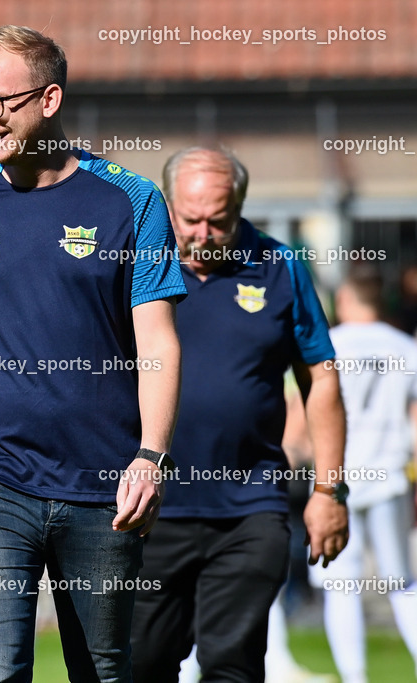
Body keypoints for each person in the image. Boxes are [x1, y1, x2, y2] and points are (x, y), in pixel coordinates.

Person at [0, 25, 185, 682]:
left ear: (51, 99)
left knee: (105, 670)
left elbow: (157, 339)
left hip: (102, 478)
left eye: (1, 101)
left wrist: (150, 455)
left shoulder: (132, 199)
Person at [130, 146, 349, 683]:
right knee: (143, 664)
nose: (203, 233)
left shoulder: (280, 270)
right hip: (149, 511)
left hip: (251, 507)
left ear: (241, 206)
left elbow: (320, 378)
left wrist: (328, 491)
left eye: (218, 221)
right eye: (190, 220)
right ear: (167, 205)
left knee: (232, 666)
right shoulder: (137, 266)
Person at [310, 267, 417, 683]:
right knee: (402, 583)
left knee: (341, 585)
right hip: (390, 474)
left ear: (345, 300)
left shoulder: (327, 345)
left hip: (334, 481)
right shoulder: (406, 347)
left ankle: (354, 677)